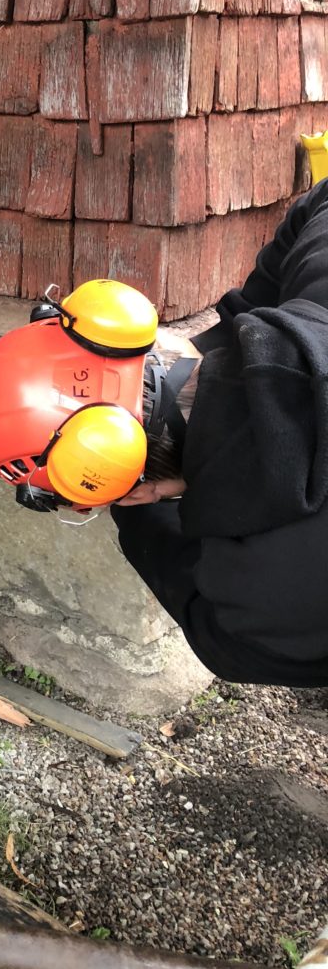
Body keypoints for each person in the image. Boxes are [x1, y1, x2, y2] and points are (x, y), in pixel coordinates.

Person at [113, 181, 328, 689]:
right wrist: (222, 354)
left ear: (153, 489)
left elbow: (199, 606)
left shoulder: (259, 610)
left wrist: (132, 507)